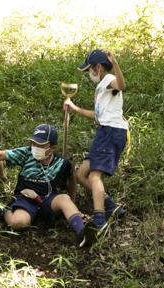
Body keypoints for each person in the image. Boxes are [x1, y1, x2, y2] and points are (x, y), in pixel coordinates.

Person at [0, 124, 96, 247]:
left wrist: (73, 201)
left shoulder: (62, 163)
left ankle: (81, 233)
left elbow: (71, 180)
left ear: (53, 148)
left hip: (48, 200)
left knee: (64, 199)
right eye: (34, 143)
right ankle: (5, 212)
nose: (35, 147)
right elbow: (0, 155)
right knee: (18, 223)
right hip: (25, 199)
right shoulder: (26, 153)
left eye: (40, 145)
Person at [63, 49, 127, 238]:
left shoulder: (108, 80)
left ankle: (100, 222)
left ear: (98, 67)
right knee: (81, 174)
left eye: (90, 69)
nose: (90, 73)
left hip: (110, 132)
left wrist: (115, 63)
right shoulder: (102, 87)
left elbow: (121, 85)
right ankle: (112, 208)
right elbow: (98, 116)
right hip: (105, 130)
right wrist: (75, 109)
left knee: (94, 177)